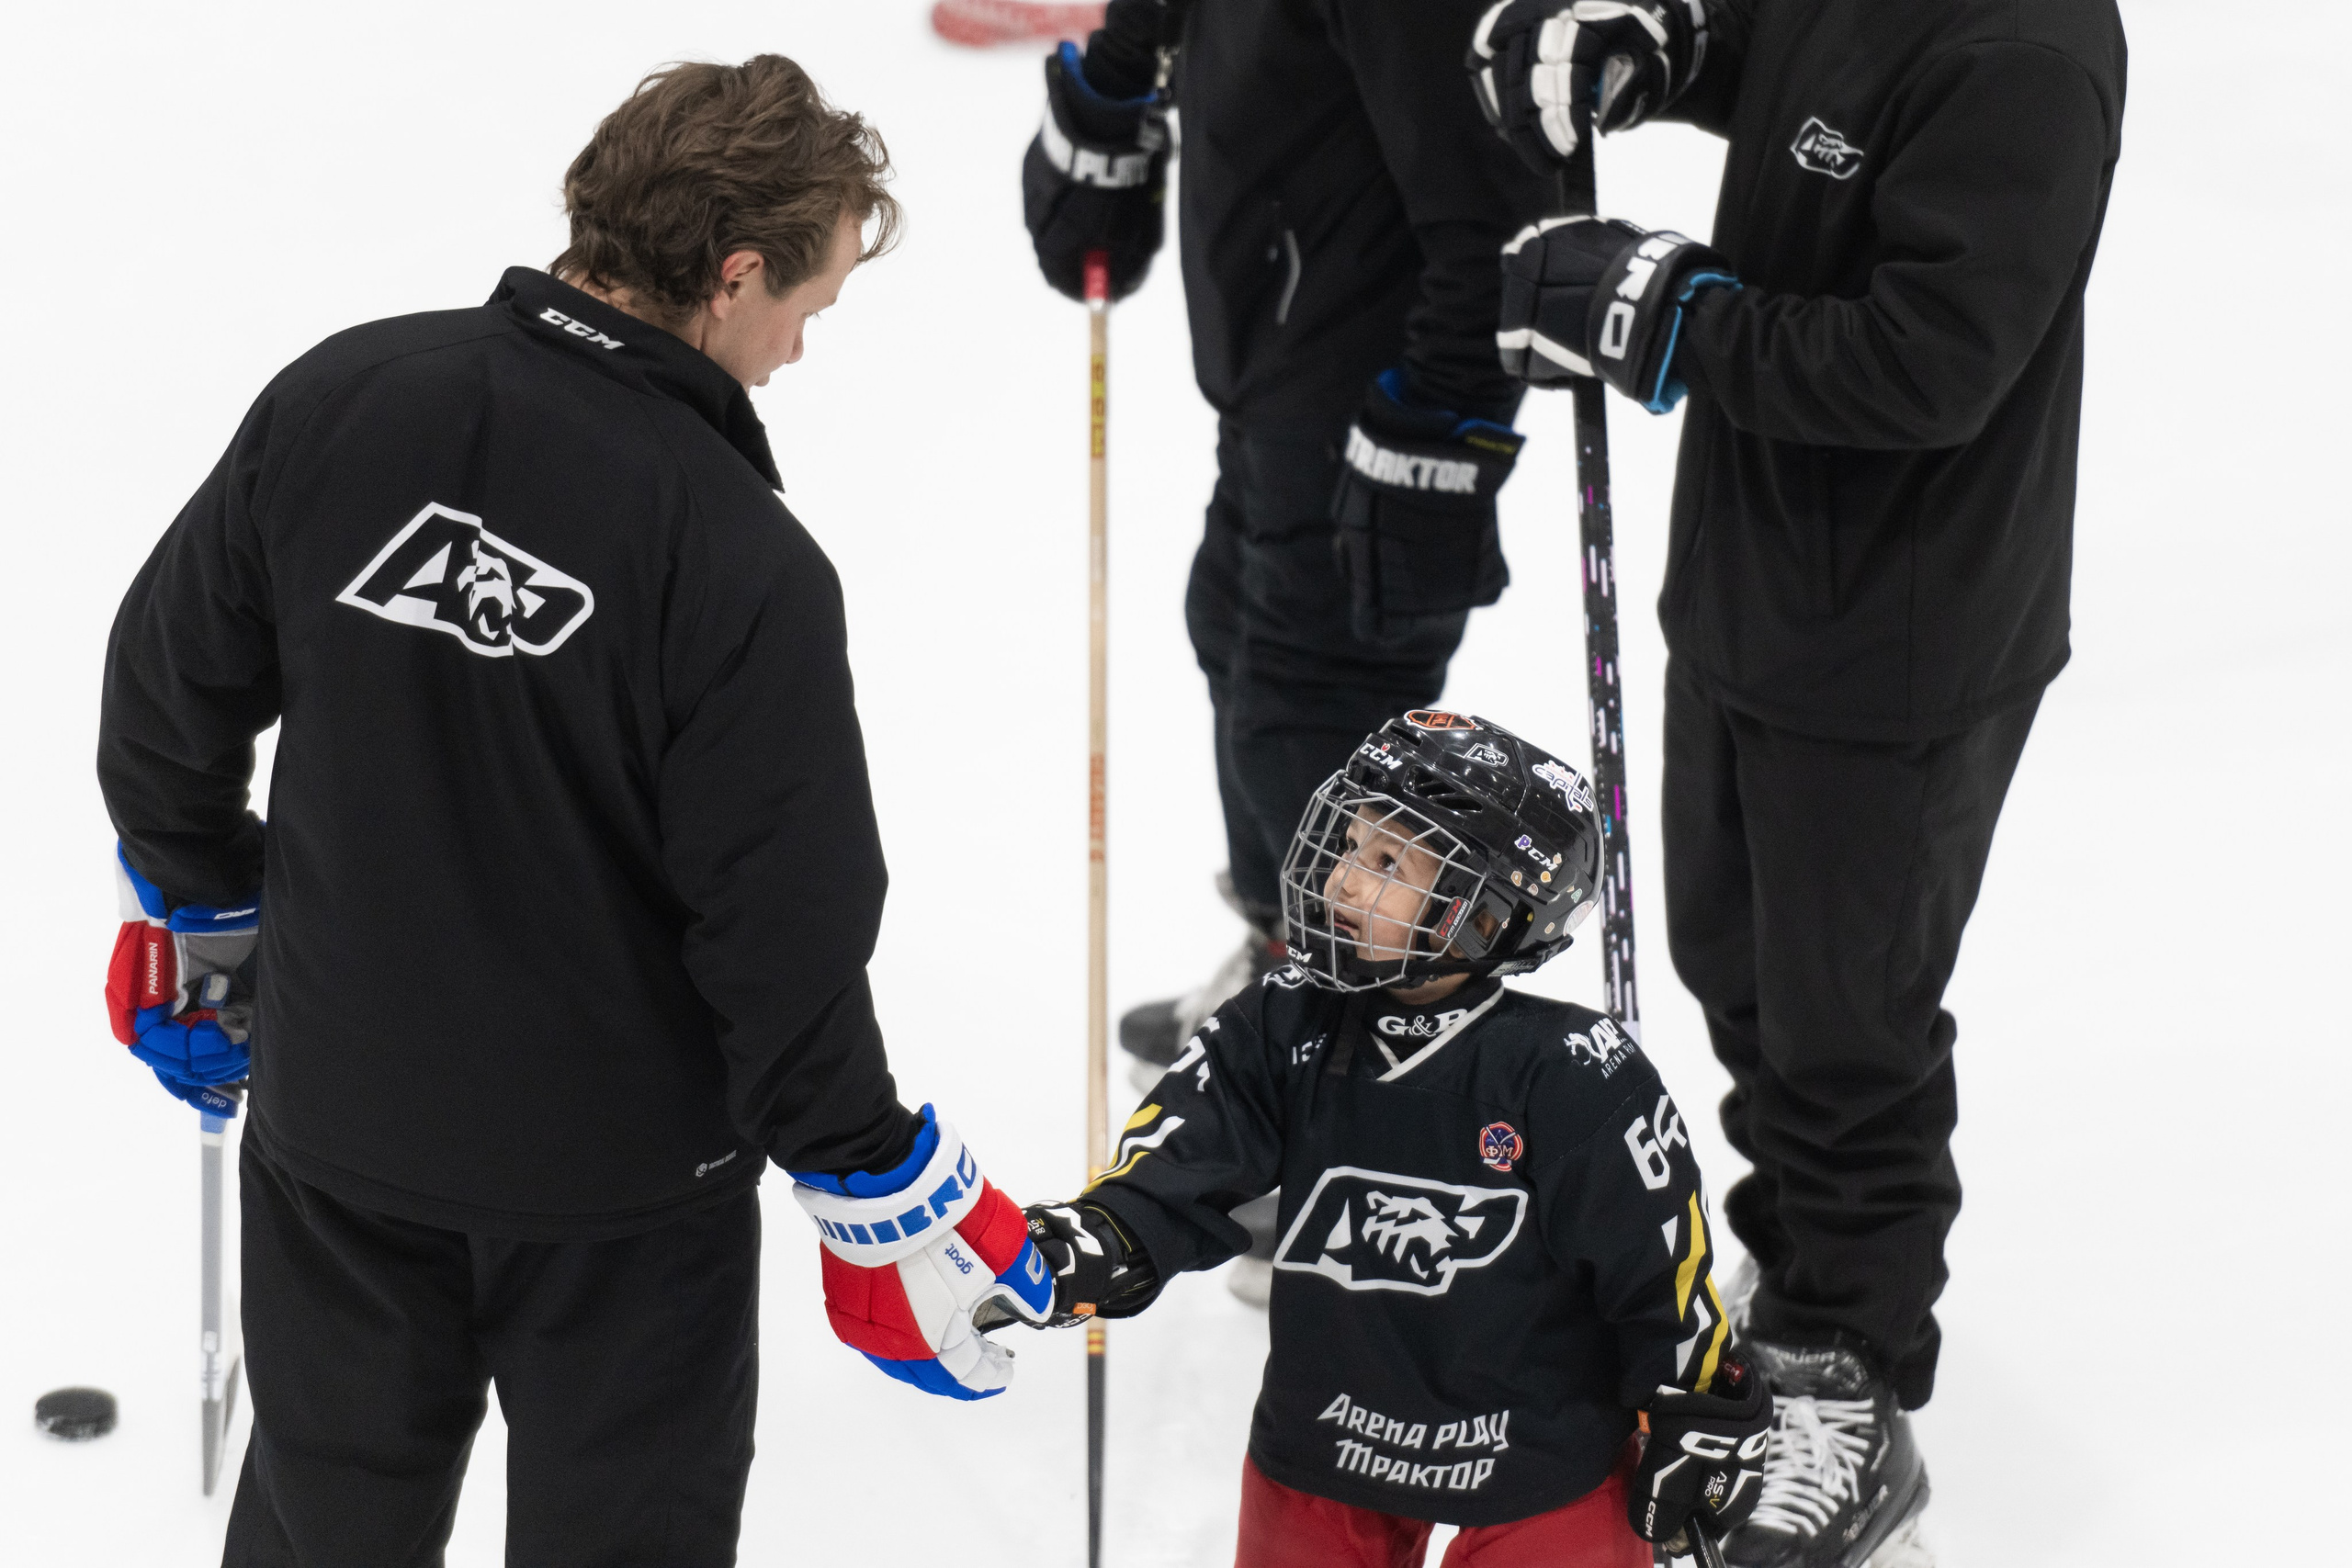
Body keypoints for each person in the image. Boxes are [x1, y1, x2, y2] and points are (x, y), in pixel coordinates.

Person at [96, 57, 1048, 1568]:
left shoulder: (342, 399)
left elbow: (164, 701)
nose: (800, 347)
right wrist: (871, 1174)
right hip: (622, 1199)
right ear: (733, 276)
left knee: (320, 1525)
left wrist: (209, 905)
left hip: (336, 1128)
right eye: (808, 304)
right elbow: (780, 922)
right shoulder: (737, 556)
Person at [1465, 2, 2127, 1562]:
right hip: (1755, 587)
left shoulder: (2025, 58)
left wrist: (1675, 319)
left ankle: (1849, 1365)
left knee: (1850, 1019)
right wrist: (1673, 51)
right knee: (1740, 968)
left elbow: (1931, 364)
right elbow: (1797, 74)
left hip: (1902, 639)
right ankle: (1801, 1267)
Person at [1001, 711, 1772, 1566]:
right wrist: (1106, 1233)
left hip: (1539, 1452)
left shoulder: (1573, 1074)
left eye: (1387, 864)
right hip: (1328, 1435)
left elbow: (1660, 1269)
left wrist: (1699, 1403)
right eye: (1350, 847)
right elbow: (1186, 1147)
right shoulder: (1283, 1022)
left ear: (1488, 911)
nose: (1343, 884)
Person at [1020, 0, 1556, 1099]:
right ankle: (1291, 973)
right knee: (1231, 639)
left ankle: (1352, 1086)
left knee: (1310, 724)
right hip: (1274, 378)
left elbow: (1494, 217)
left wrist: (1436, 428)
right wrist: (1126, 58)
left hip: (1370, 411)